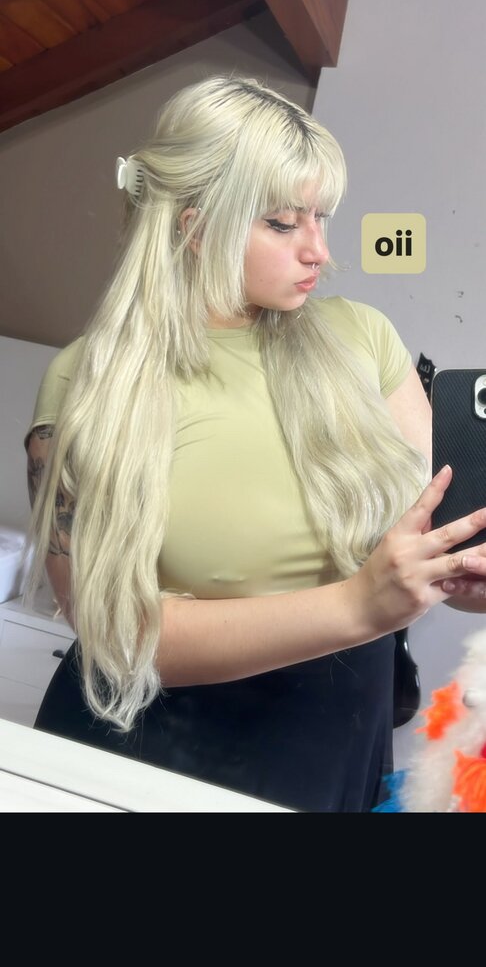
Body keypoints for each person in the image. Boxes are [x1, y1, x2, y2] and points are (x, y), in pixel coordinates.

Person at [22, 75, 486, 813]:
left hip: (336, 734)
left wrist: (462, 577)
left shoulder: (363, 338)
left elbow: (437, 536)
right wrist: (361, 605)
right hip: (153, 750)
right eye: (282, 223)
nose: (319, 252)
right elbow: (116, 638)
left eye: (321, 218)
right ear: (194, 225)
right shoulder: (91, 380)